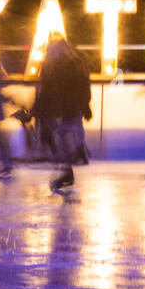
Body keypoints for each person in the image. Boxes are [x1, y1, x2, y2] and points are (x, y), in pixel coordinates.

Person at [37, 36, 93, 194]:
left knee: (62, 135)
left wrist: (84, 105)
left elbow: (55, 88)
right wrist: (85, 105)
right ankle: (72, 162)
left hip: (66, 106)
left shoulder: (61, 65)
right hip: (66, 106)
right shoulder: (72, 64)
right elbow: (81, 85)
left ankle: (68, 170)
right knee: (63, 135)